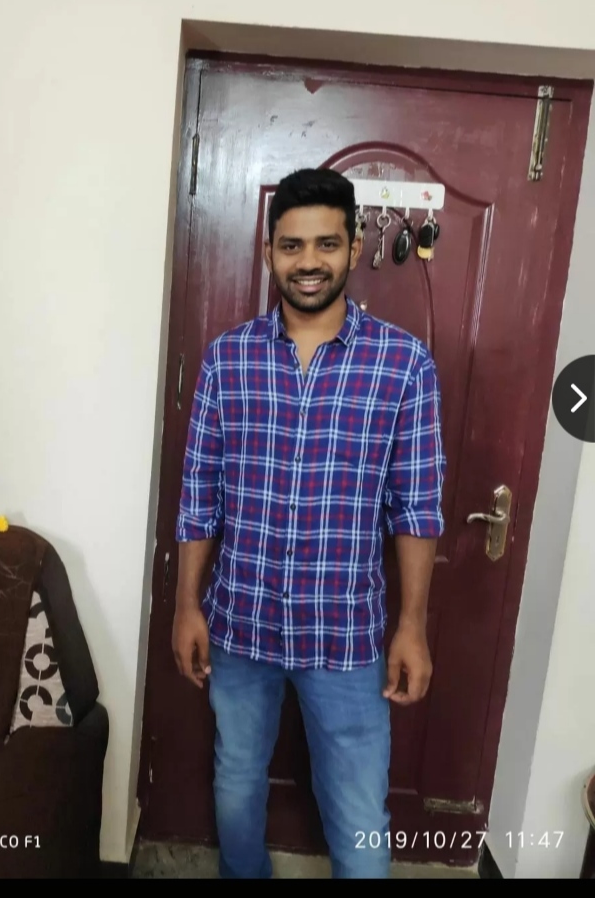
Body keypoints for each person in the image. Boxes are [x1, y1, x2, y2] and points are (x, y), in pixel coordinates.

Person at [172, 167, 446, 879]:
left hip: (344, 635)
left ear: (353, 248)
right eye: (292, 246)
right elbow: (199, 493)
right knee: (236, 782)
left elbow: (417, 505)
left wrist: (412, 625)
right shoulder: (228, 359)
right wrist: (186, 605)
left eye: (326, 244)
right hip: (240, 624)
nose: (309, 262)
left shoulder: (403, 365)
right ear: (269, 253)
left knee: (358, 813)